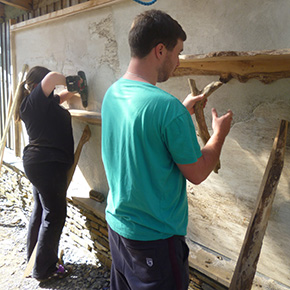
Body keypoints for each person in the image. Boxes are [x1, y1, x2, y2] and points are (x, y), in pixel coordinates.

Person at [101, 9, 233, 290]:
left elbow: (141, 132)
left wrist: (180, 114)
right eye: (178, 52)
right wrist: (219, 134)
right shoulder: (166, 108)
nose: (178, 61)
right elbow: (197, 172)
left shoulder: (113, 93)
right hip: (154, 243)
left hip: (117, 229)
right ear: (160, 50)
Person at [15, 66, 78, 282]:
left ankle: (34, 258)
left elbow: (59, 97)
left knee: (41, 209)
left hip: (41, 164)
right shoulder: (33, 102)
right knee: (54, 215)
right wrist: (74, 80)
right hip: (47, 165)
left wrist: (74, 91)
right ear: (37, 86)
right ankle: (44, 269)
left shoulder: (42, 104)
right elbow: (52, 78)